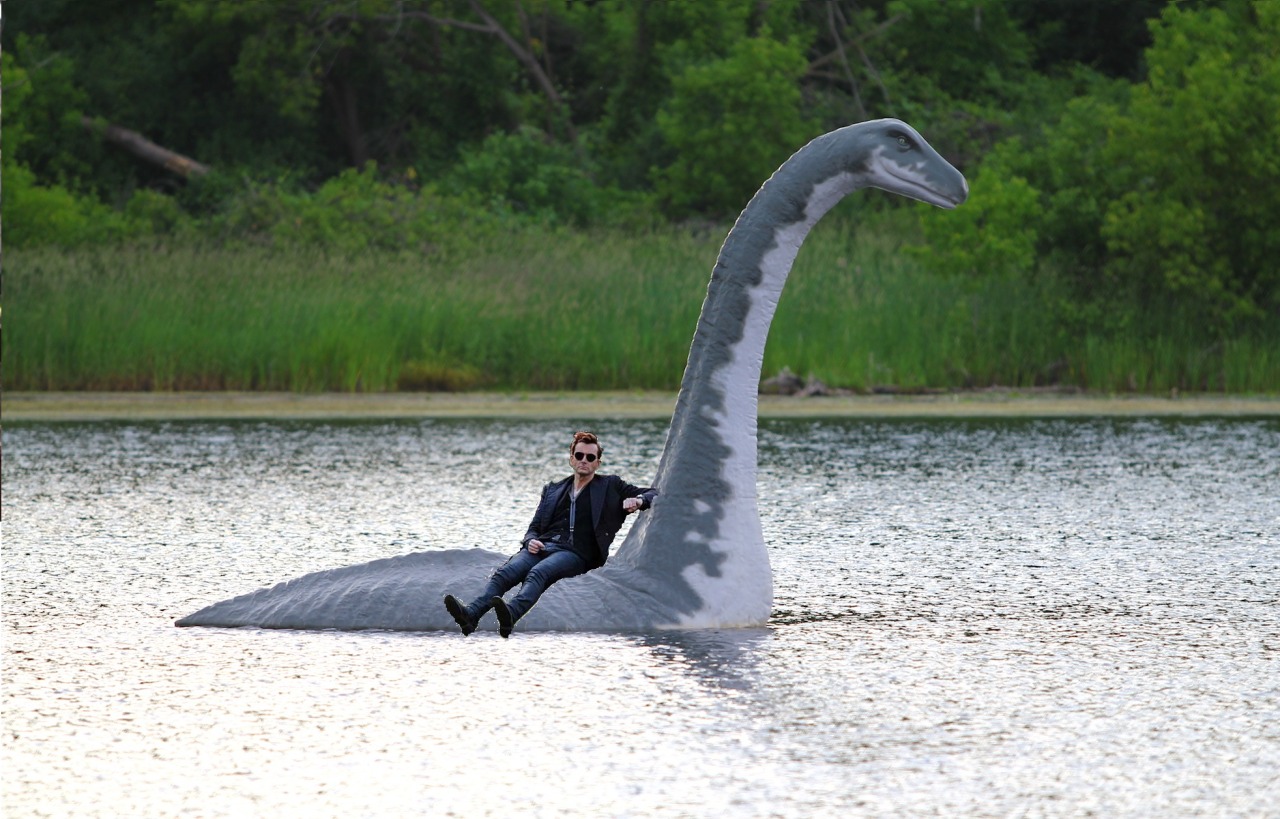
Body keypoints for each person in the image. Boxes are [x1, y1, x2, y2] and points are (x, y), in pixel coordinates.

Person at [444, 431, 656, 638]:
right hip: (544, 546)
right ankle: (470, 615)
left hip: (578, 553)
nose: (584, 460)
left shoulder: (610, 485)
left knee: (538, 573)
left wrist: (638, 501)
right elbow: (534, 527)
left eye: (590, 457)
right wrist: (530, 541)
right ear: (571, 459)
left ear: (597, 463)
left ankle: (512, 613)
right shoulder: (553, 490)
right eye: (579, 455)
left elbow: (652, 492)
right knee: (505, 573)